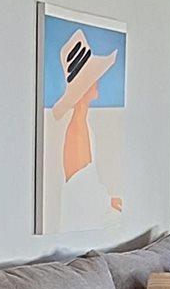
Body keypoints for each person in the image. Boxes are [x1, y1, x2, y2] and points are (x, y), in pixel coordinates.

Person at [49, 28, 123, 231]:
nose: (98, 81)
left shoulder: (83, 125)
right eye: (94, 77)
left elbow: (86, 187)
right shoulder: (76, 130)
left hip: (91, 212)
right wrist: (108, 203)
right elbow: (79, 193)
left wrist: (109, 200)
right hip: (85, 219)